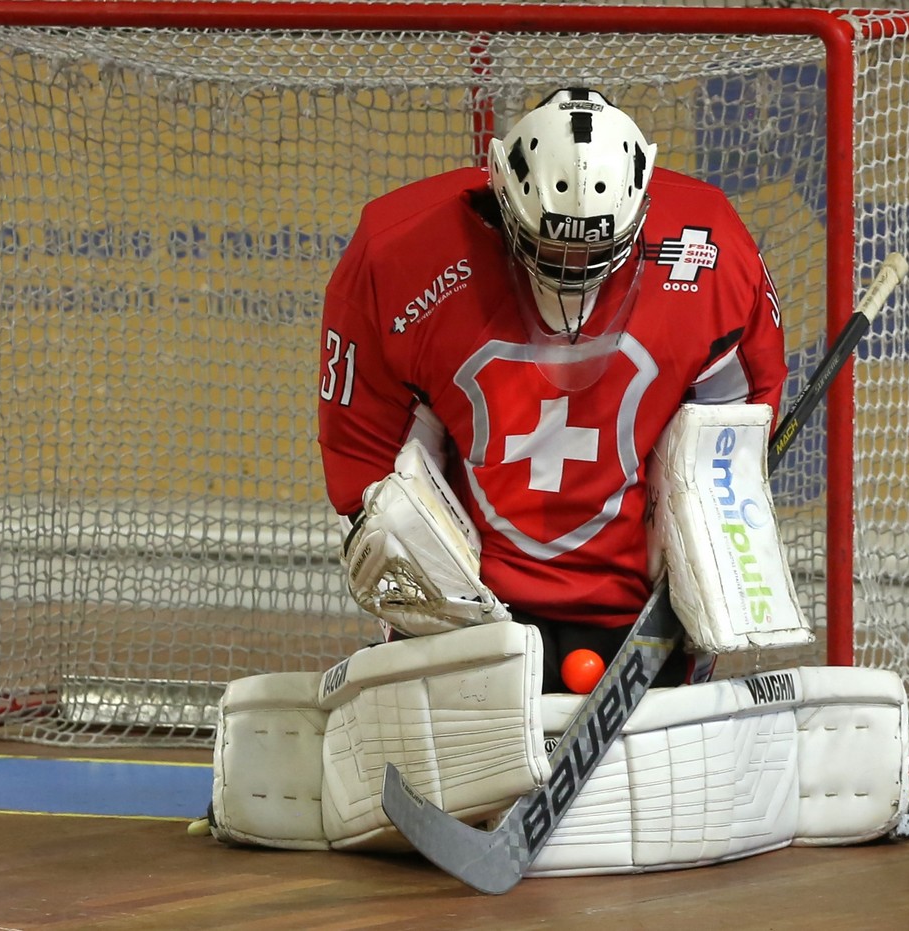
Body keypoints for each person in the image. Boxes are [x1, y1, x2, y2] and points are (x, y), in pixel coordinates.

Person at [317, 87, 789, 693]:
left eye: (596, 248)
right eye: (552, 245)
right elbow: (366, 450)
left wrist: (699, 541)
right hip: (475, 605)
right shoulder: (399, 255)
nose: (573, 265)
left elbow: (733, 429)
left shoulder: (712, 250)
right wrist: (423, 569)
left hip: (640, 604)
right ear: (501, 194)